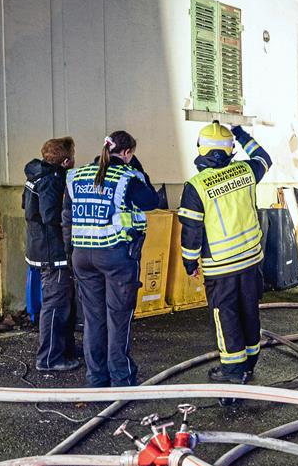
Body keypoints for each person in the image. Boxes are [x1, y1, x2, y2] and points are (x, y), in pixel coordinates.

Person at [178, 122, 271, 384]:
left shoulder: (196, 186)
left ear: (201, 149)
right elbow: (264, 158)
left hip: (221, 268)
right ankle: (250, 363)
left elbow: (191, 230)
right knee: (249, 311)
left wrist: (189, 262)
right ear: (230, 149)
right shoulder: (246, 171)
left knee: (226, 317)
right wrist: (242, 134)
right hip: (251, 261)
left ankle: (232, 373)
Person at [64, 131, 160, 387]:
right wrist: (137, 168)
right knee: (118, 318)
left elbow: (67, 214)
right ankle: (121, 377)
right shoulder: (127, 176)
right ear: (127, 153)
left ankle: (96, 378)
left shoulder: (77, 175)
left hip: (82, 256)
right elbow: (151, 201)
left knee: (94, 319)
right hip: (116, 256)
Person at [24, 136, 80, 372]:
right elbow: (51, 216)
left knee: (64, 302)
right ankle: (49, 358)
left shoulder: (36, 176)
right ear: (66, 160)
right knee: (56, 305)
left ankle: (65, 348)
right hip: (53, 251)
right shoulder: (52, 180)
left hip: (40, 247)